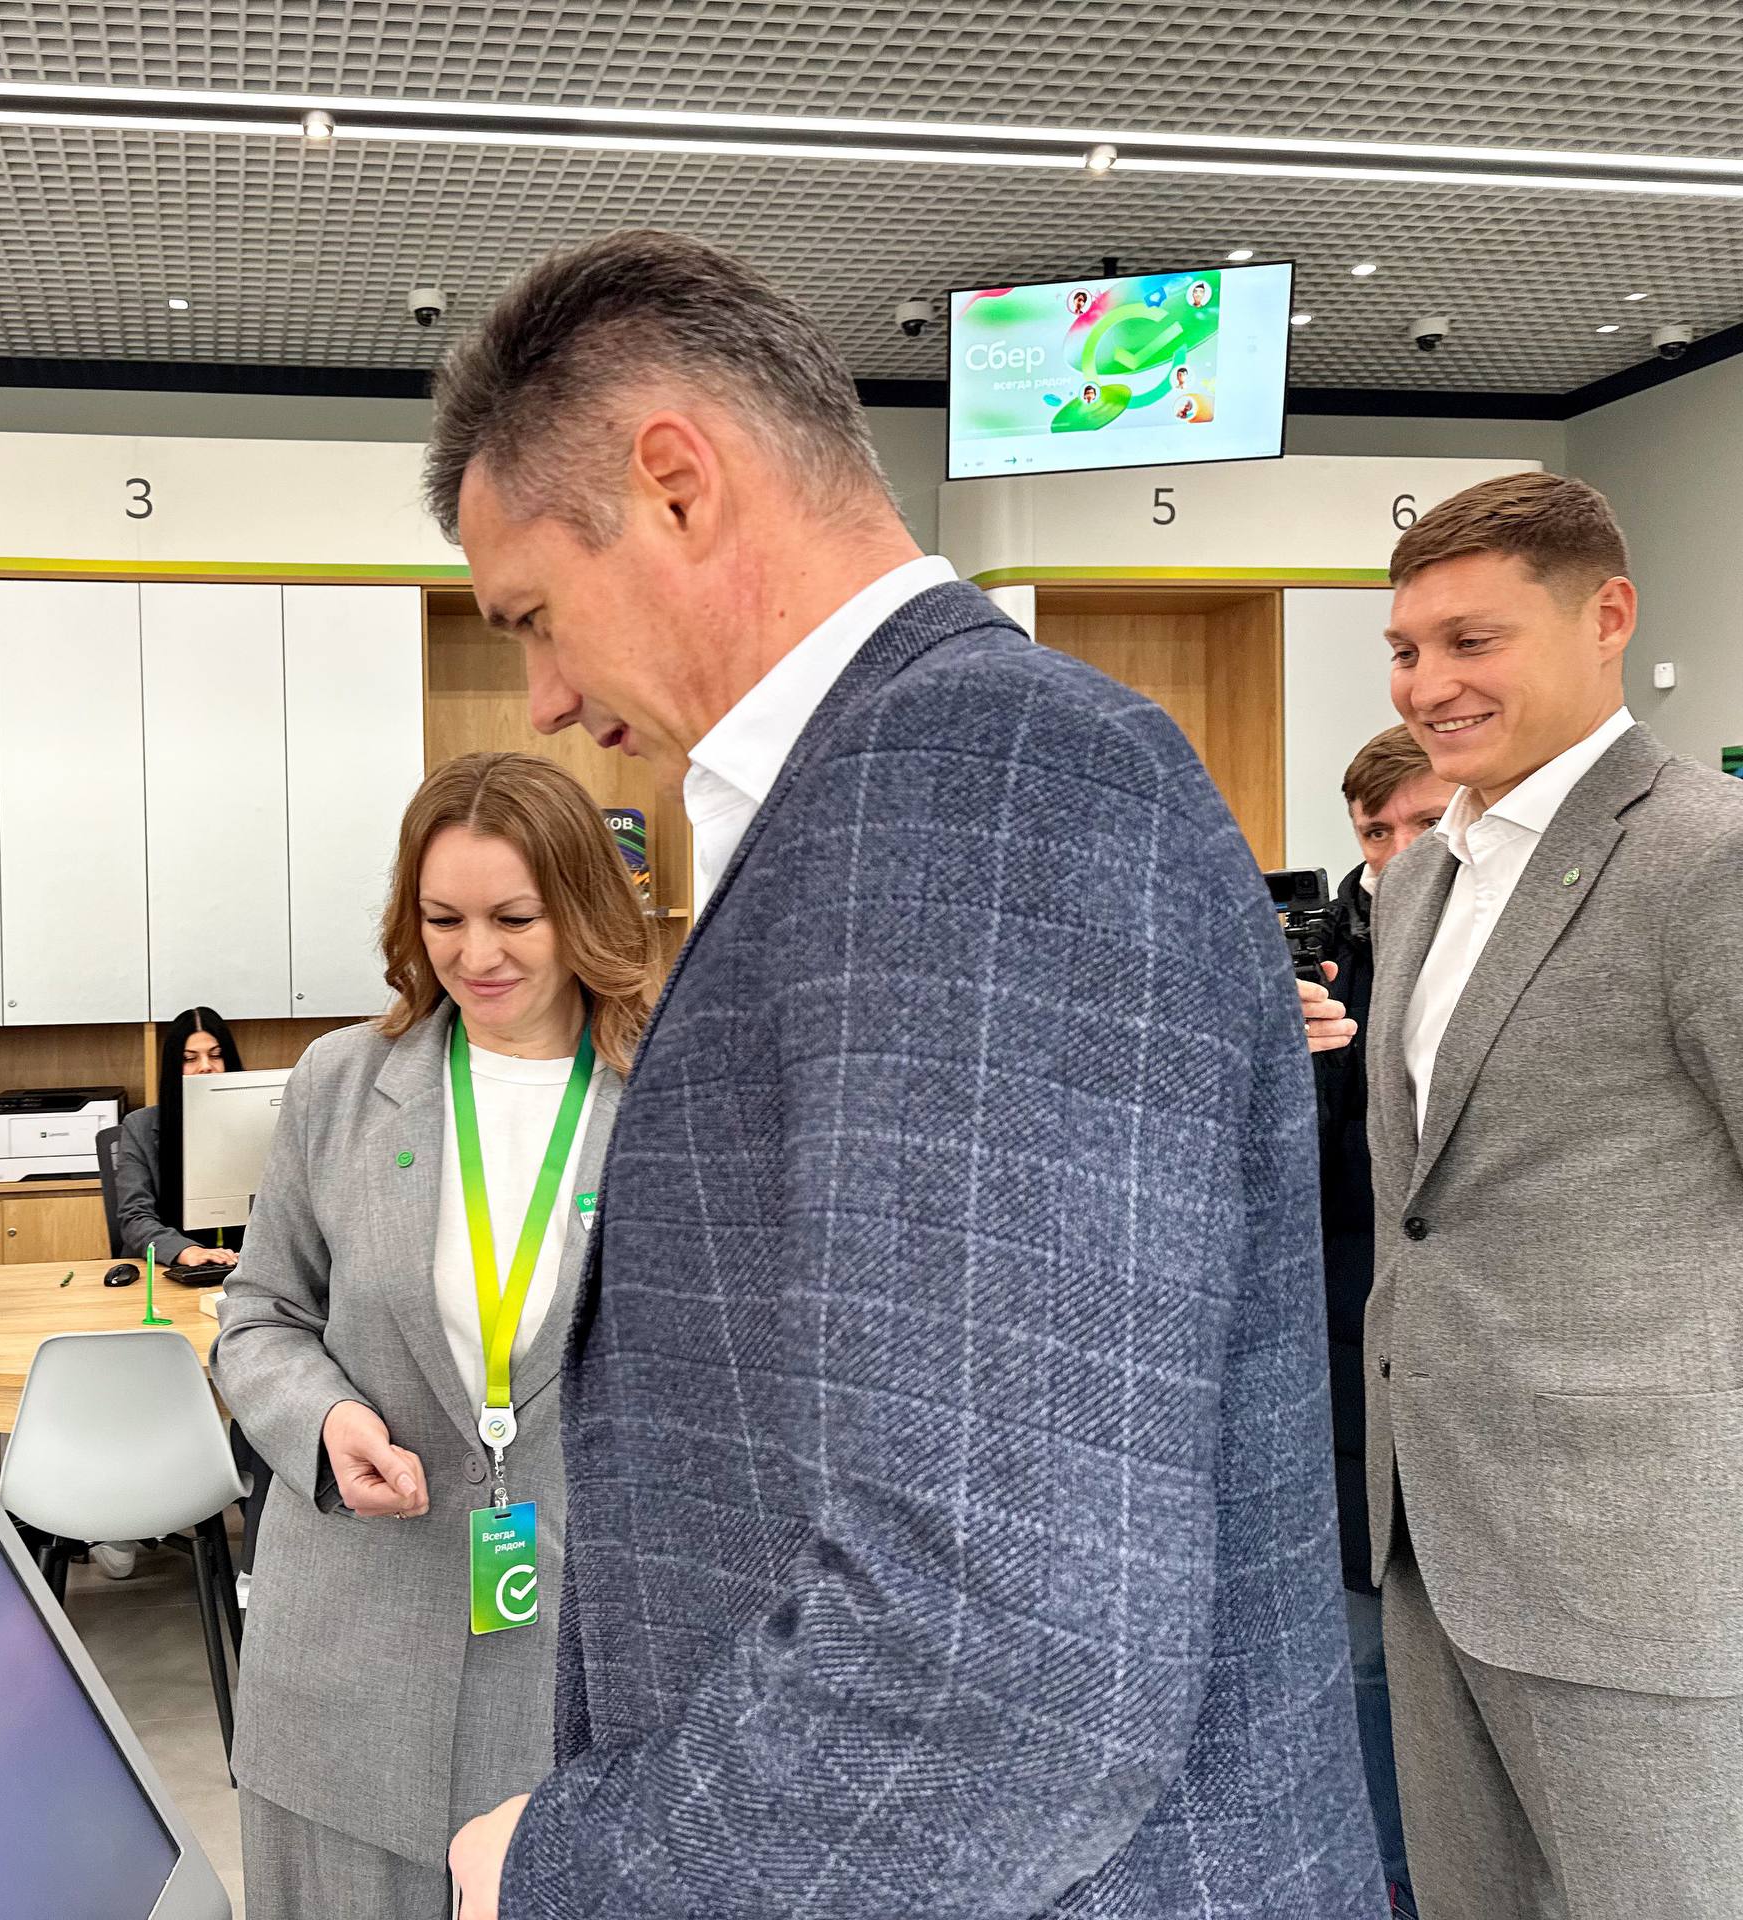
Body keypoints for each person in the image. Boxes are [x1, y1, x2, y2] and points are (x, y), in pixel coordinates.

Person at [425, 231, 1375, 1918]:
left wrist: (578, 1872)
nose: (546, 698)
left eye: (535, 618)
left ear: (674, 486)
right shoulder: (885, 787)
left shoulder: (978, 783)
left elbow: (1001, 1656)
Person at [1359, 472, 1743, 1919]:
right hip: (1433, 1536)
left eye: (1474, 641)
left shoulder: (1707, 857)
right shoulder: (1420, 882)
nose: (1429, 685)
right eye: (1406, 651)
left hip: (1645, 1561)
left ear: (1608, 618)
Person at [214, 751, 656, 1920]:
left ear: (583, 909)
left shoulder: (667, 1096)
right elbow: (259, 1316)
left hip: (576, 1666)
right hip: (347, 1667)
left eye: (515, 918)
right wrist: (327, 1421)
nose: (476, 956)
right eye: (443, 919)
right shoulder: (341, 1084)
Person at [1299, 725, 1455, 1920]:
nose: (1396, 851)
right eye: (1374, 830)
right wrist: (1291, 1053)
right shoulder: (1315, 963)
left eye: (1422, 824)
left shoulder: (1500, 936)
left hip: (1479, 1374)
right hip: (1344, 1375)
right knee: (1361, 1661)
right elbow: (1294, 1182)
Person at [113, 1006, 249, 1272]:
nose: (206, 1067)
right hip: (171, 1267)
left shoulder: (256, 1122)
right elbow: (135, 1216)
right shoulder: (140, 1127)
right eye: (190, 1059)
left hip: (245, 1264)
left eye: (216, 1055)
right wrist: (187, 1251)